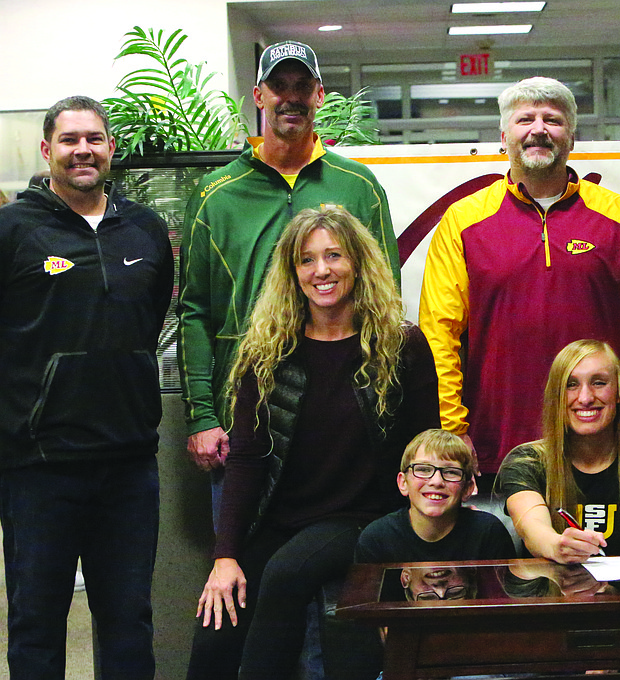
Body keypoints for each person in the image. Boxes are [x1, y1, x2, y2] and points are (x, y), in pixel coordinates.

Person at [185, 206, 437, 680]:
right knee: (216, 624)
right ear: (292, 273)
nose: (321, 270)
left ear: (358, 264)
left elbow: (426, 447)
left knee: (286, 572)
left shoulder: (401, 346)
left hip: (365, 519)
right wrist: (225, 556)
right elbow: (246, 462)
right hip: (280, 520)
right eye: (307, 260)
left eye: (334, 256)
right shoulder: (268, 351)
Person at [418, 76, 620, 487]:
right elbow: (439, 334)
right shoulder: (462, 222)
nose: (538, 129)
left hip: (602, 446)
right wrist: (452, 426)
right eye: (525, 120)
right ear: (504, 137)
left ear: (571, 136)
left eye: (552, 120)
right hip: (495, 446)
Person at [178, 39, 398, 514]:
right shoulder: (216, 195)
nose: (290, 97)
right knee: (240, 571)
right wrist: (201, 414)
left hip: (343, 421)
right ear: (259, 96)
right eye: (279, 86)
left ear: (319, 95)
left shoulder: (359, 188)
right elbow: (194, 311)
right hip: (244, 421)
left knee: (344, 573)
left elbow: (387, 302)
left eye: (302, 85)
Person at [0, 95, 172, 679]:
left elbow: (149, 321)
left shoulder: (144, 229)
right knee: (36, 625)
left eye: (93, 138)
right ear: (47, 150)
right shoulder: (12, 231)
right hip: (37, 466)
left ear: (111, 149)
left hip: (128, 465)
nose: (83, 150)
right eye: (70, 140)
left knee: (129, 621)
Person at [496, 339, 620, 563]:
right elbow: (532, 528)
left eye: (599, 383)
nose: (585, 398)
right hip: (554, 595)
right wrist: (558, 546)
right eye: (571, 385)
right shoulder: (526, 461)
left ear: (618, 393)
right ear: (556, 396)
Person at [355, 429, 516, 564]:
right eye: (423, 470)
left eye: (451, 472)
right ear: (403, 483)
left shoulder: (489, 534)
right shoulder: (376, 539)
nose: (436, 481)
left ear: (468, 488)